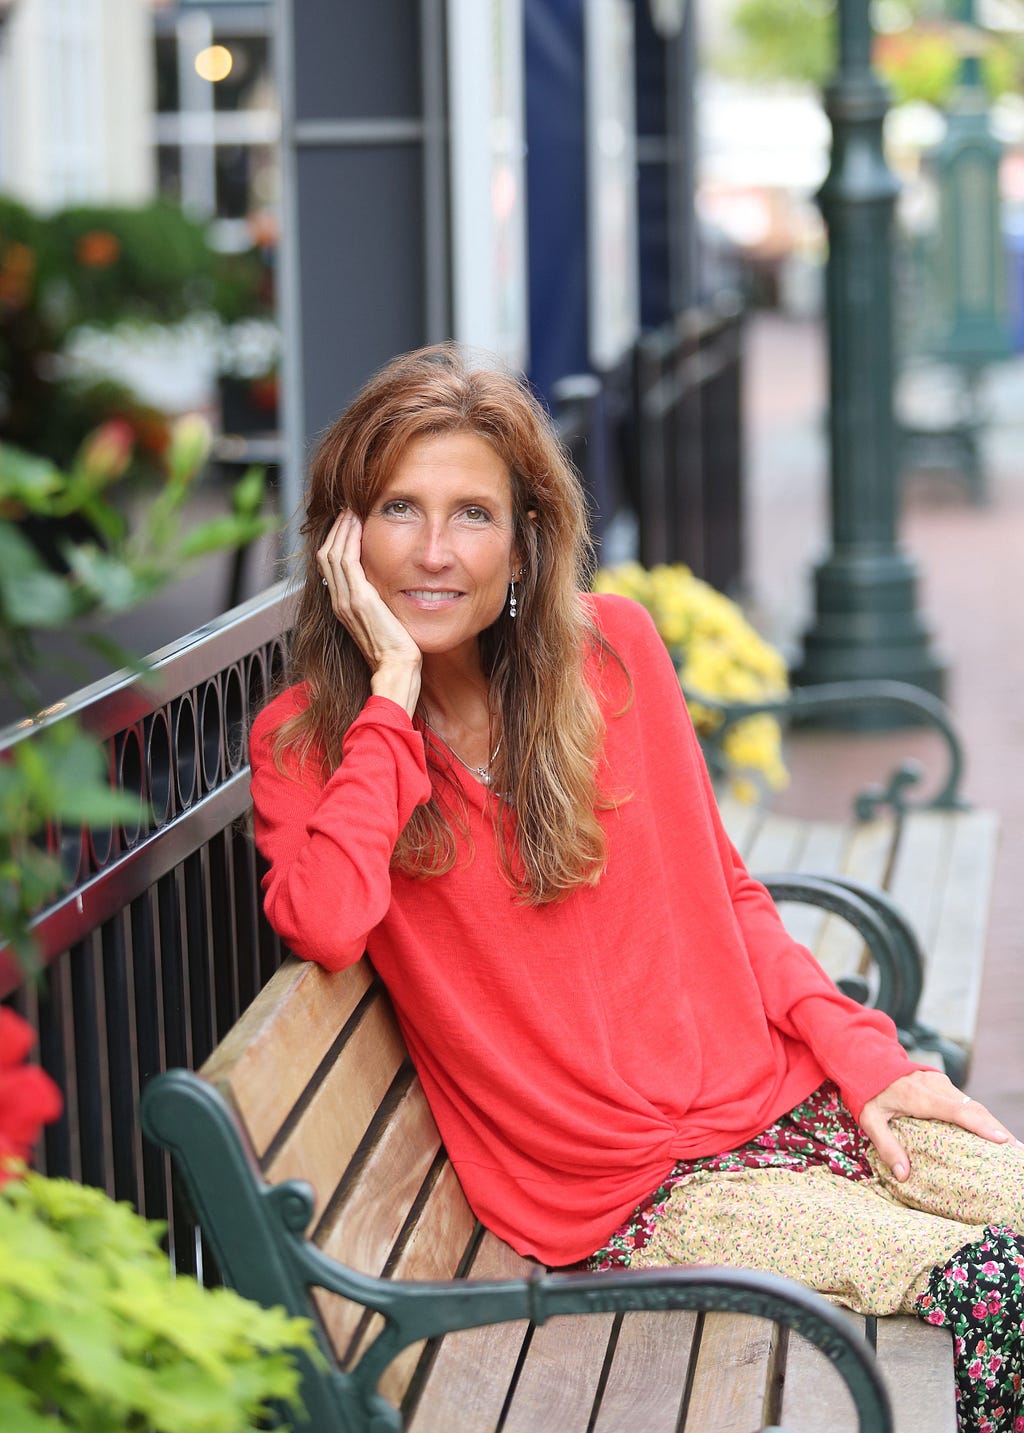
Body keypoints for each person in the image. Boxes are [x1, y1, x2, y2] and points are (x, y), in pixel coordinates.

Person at [250, 342, 1024, 1432]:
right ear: (342, 541)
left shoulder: (610, 656)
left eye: (471, 513)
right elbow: (324, 919)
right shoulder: (312, 744)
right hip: (636, 1196)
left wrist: (867, 1057)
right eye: (395, 510)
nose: (432, 551)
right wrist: (391, 689)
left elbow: (729, 894)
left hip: (780, 1102)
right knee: (1002, 1292)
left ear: (524, 542)